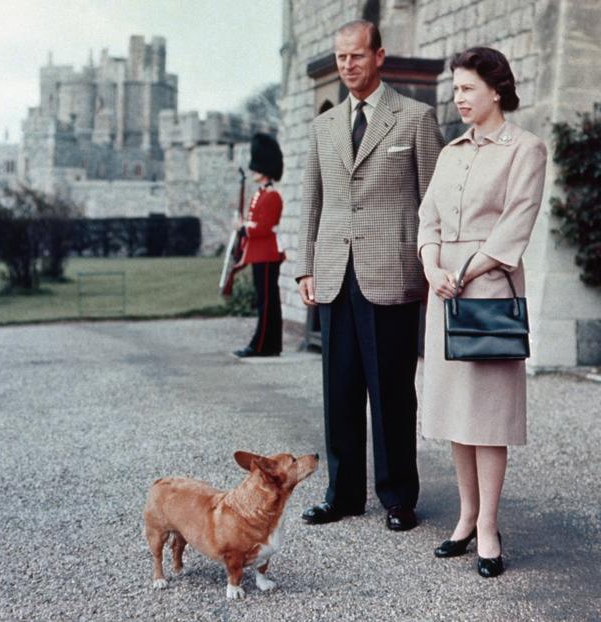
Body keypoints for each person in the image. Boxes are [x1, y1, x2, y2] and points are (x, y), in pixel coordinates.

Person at [296, 20, 444, 530]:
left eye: (356, 56)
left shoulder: (416, 120)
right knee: (338, 390)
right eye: (340, 58)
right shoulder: (324, 125)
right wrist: (304, 268)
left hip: (392, 273)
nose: (347, 66)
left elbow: (434, 202)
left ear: (379, 56)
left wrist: (433, 264)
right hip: (335, 272)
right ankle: (342, 494)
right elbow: (311, 201)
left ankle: (398, 496)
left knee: (392, 391)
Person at [417, 47, 547, 577]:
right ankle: (466, 517)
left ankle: (489, 525)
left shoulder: (527, 149)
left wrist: (464, 271)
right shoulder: (450, 153)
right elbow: (426, 219)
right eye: (455, 90)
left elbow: (516, 224)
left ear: (496, 90)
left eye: (467, 88)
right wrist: (430, 266)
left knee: (488, 417)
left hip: (487, 289)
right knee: (455, 414)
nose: (459, 98)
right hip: (443, 292)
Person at [233, 133, 285, 358]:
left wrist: (242, 228)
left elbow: (263, 227)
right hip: (259, 253)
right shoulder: (261, 194)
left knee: (267, 302)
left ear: (264, 170)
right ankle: (271, 344)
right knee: (266, 301)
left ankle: (261, 344)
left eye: (257, 167)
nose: (253, 171)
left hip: (267, 254)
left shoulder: (272, 196)